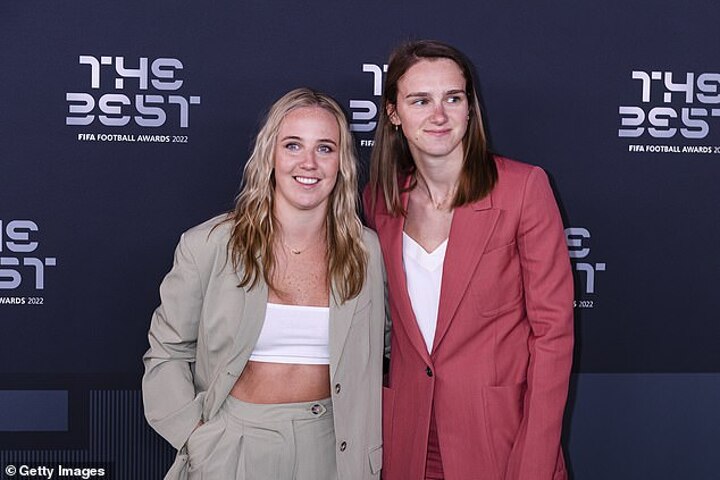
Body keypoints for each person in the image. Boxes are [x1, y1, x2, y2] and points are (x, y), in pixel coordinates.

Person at [143, 88, 385, 480]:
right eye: (293, 145)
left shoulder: (368, 252)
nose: (309, 163)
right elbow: (166, 352)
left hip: (335, 450)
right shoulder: (209, 245)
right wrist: (195, 436)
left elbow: (398, 349)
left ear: (341, 162)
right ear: (270, 153)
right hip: (233, 447)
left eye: (325, 148)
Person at [364, 40, 574, 480]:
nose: (439, 115)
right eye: (420, 100)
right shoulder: (379, 200)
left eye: (453, 98)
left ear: (469, 108)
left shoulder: (523, 189)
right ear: (394, 113)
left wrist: (535, 461)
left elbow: (552, 336)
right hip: (405, 440)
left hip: (500, 439)